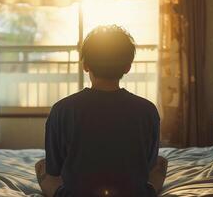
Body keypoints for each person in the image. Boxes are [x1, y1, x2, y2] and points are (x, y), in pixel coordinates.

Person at [35, 25, 167, 197]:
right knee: (161, 162)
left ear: (86, 65)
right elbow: (149, 164)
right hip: (135, 193)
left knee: (41, 166)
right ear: (127, 67)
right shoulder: (147, 110)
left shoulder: (62, 110)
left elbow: (54, 168)